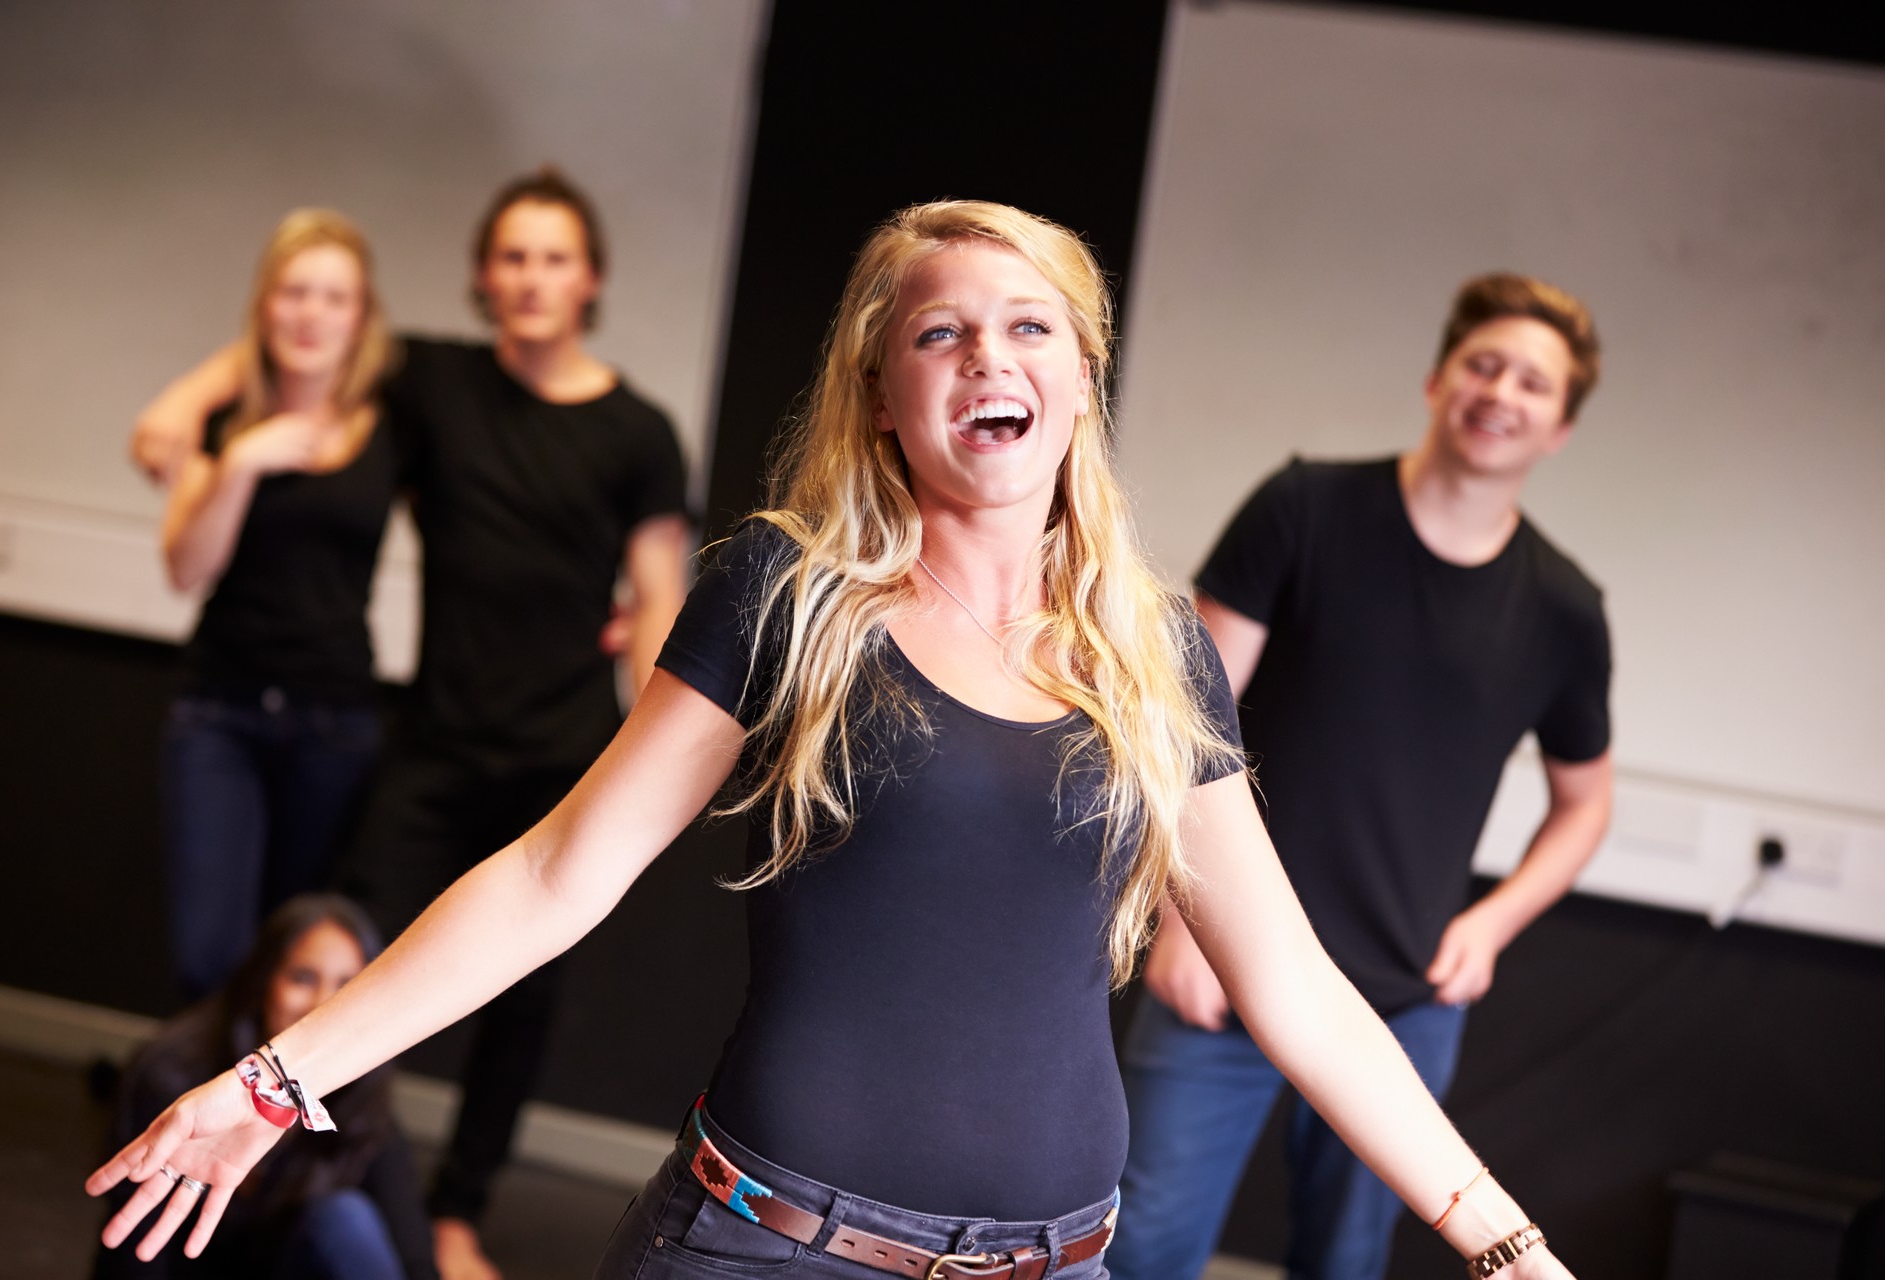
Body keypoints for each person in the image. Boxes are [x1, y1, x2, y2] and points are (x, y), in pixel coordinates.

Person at [91, 202, 1574, 1280]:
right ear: (886, 395)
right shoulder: (784, 595)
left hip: (1061, 1267)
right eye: (940, 331)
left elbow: (1296, 988)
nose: (986, 354)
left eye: (1026, 326)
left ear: (1077, 375)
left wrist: (1502, 1244)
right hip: (768, 1253)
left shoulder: (1154, 648)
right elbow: (557, 878)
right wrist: (275, 1081)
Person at [128, 168, 692, 1280]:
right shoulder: (434, 382)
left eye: (555, 258)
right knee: (346, 967)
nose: (532, 278)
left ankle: (454, 1212)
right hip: (432, 745)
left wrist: (649, 756)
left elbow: (661, 597)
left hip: (563, 759)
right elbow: (276, 360)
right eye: (513, 257)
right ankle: (302, 1169)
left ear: (591, 280)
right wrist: (185, 428)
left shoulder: (639, 431)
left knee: (521, 1005)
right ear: (485, 277)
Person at [1112, 274, 1615, 1280]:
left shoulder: (1563, 608)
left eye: (1533, 382)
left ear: (1557, 426)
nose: (1501, 391)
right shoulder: (1306, 508)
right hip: (1227, 963)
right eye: (1485, 363)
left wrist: (1492, 922)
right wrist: (1181, 918)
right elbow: (1180, 720)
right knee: (1144, 1248)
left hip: (1405, 996)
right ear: (1439, 379)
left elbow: (1585, 802)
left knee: (1345, 1259)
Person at [156, 209, 399, 1000]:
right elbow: (186, 569)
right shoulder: (225, 427)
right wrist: (238, 466)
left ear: (360, 318)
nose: (311, 313)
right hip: (219, 713)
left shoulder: (392, 429)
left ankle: (273, 1124)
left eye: (334, 297)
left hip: (334, 724)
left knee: (295, 970)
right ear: (265, 305)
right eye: (294, 291)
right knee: (208, 957)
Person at [94, 894, 437, 1280]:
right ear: (262, 984)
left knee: (345, 1220)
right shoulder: (173, 1075)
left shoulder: (363, 1095)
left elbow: (414, 1256)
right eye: (303, 977)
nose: (324, 1004)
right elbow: (134, 1251)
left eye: (347, 985)